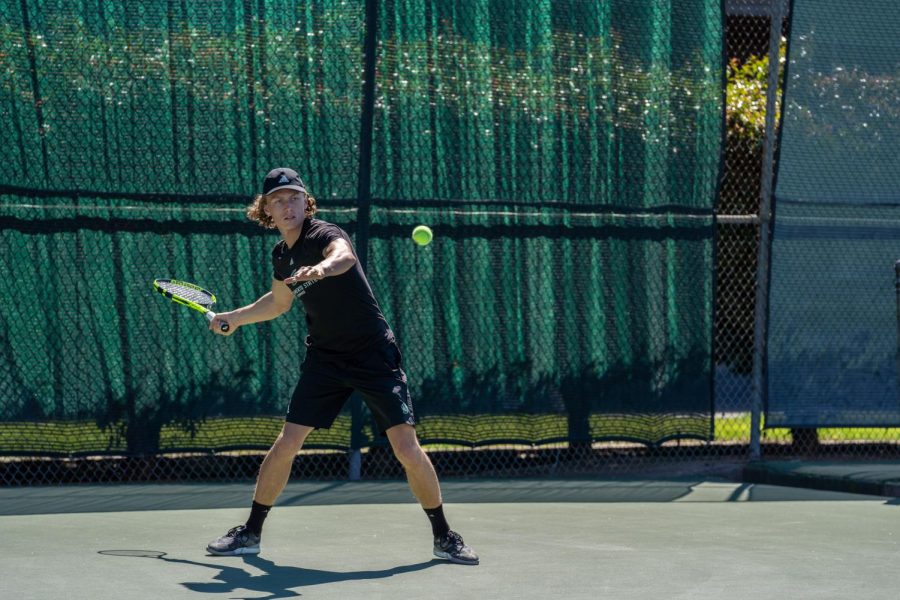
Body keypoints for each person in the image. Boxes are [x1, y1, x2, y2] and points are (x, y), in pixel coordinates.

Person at [205, 168, 478, 565]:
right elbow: (279, 303)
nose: (287, 205)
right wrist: (235, 316)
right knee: (288, 442)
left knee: (405, 447)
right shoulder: (281, 255)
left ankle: (444, 536)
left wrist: (322, 268)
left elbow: (344, 256)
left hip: (372, 354)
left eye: (294, 198)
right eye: (278, 200)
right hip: (326, 358)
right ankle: (250, 532)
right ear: (266, 209)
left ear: (306, 202)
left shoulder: (324, 234)